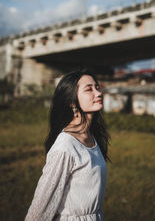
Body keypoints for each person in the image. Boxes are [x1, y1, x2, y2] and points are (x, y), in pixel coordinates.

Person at [25, 67, 110, 221]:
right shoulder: (65, 146)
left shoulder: (92, 136)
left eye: (97, 88)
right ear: (72, 102)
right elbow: (40, 208)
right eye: (89, 89)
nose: (98, 93)